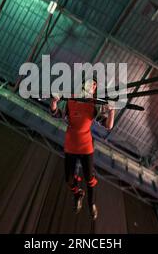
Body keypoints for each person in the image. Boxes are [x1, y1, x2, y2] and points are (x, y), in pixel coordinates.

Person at [50, 77, 115, 220]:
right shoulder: (71, 99)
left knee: (89, 179)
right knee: (68, 179)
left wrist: (111, 111)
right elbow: (57, 114)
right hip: (71, 144)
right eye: (89, 83)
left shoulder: (95, 105)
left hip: (86, 146)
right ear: (83, 86)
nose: (92, 87)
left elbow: (108, 126)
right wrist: (54, 102)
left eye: (94, 85)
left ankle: (91, 203)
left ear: (94, 89)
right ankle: (78, 193)